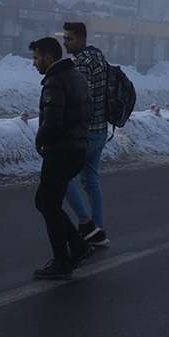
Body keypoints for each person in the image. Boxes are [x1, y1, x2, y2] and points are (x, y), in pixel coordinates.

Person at [30, 36, 92, 279]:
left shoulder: (55, 81)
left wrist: (40, 140)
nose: (34, 63)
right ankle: (77, 246)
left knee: (47, 203)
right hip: (77, 149)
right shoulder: (76, 77)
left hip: (61, 151)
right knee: (47, 202)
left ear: (49, 57)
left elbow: (53, 122)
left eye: (36, 58)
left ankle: (62, 261)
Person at [61, 22, 111, 249]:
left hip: (86, 132)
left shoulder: (82, 63)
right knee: (91, 181)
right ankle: (98, 228)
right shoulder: (99, 57)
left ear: (81, 39)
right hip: (100, 129)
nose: (65, 43)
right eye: (64, 38)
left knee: (62, 177)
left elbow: (81, 98)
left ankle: (87, 224)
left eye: (69, 39)